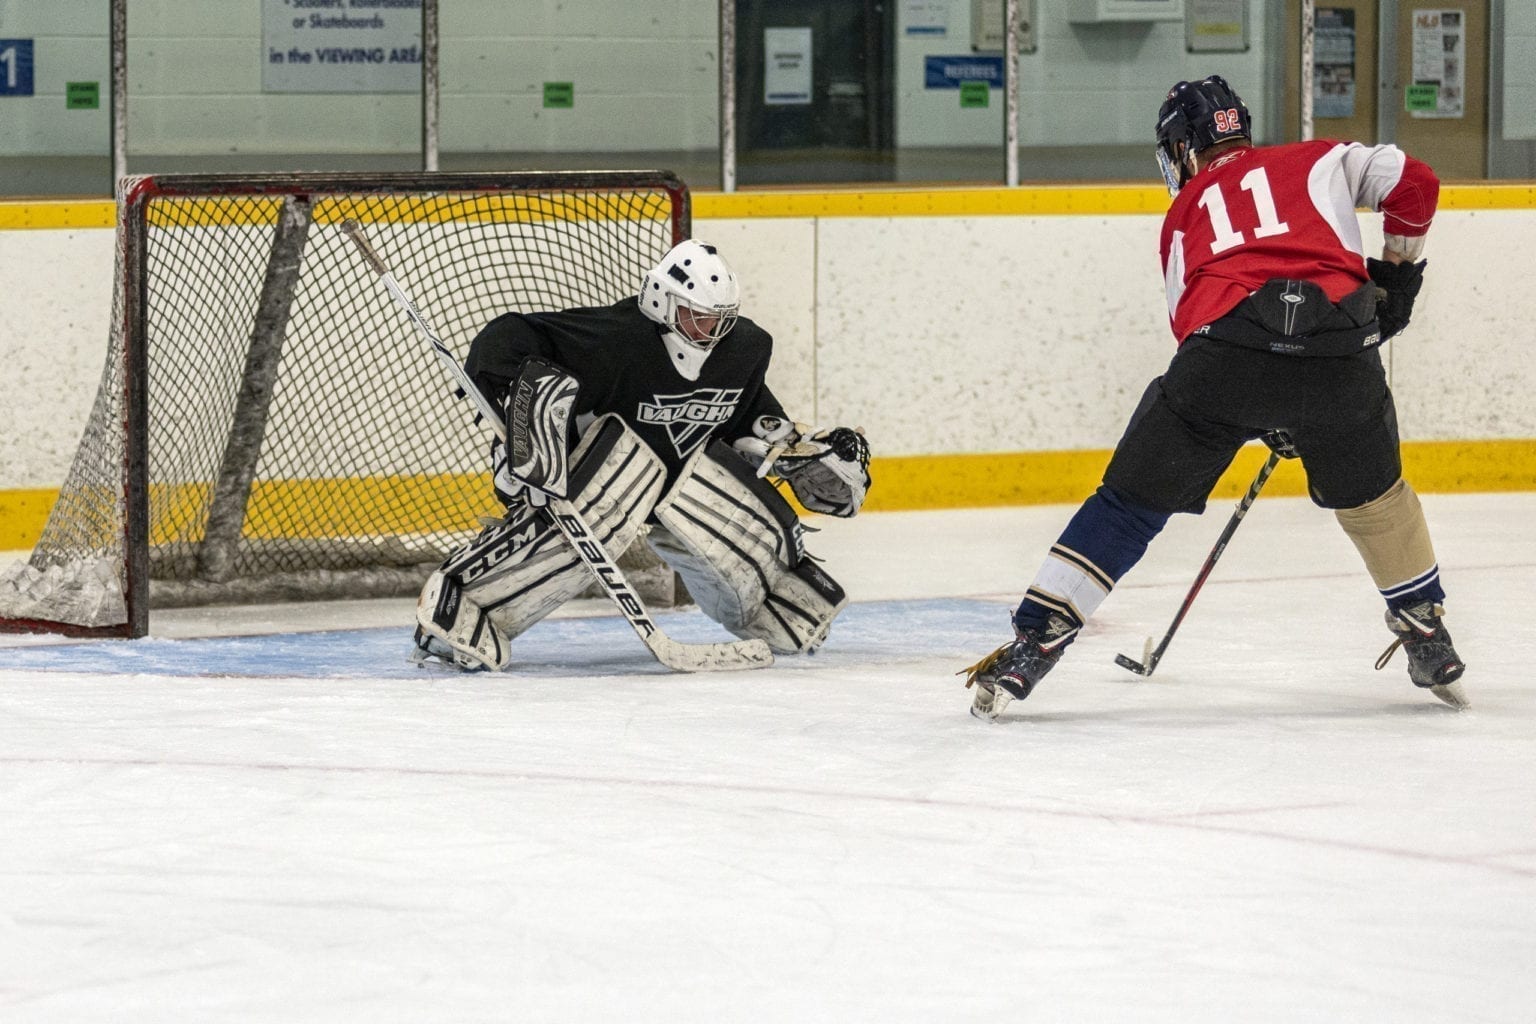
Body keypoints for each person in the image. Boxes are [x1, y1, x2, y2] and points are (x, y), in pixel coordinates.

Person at [963, 75, 1467, 717]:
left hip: (1223, 357)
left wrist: (1259, 398)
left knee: (1127, 505)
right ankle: (1426, 629)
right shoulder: (1321, 160)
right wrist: (1397, 276)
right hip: (1341, 350)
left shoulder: (1183, 214)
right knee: (1376, 498)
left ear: (1181, 148)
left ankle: (1034, 643)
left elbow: (1191, 327)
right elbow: (1416, 182)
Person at [412, 239, 872, 670]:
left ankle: (776, 606)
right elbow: (509, 335)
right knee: (608, 493)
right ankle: (464, 606)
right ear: (662, 301)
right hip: (599, 475)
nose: (713, 331)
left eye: (721, 318)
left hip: (680, 481)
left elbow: (746, 420)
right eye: (699, 317)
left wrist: (796, 451)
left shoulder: (743, 349)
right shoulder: (618, 338)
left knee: (723, 503)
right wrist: (518, 423)